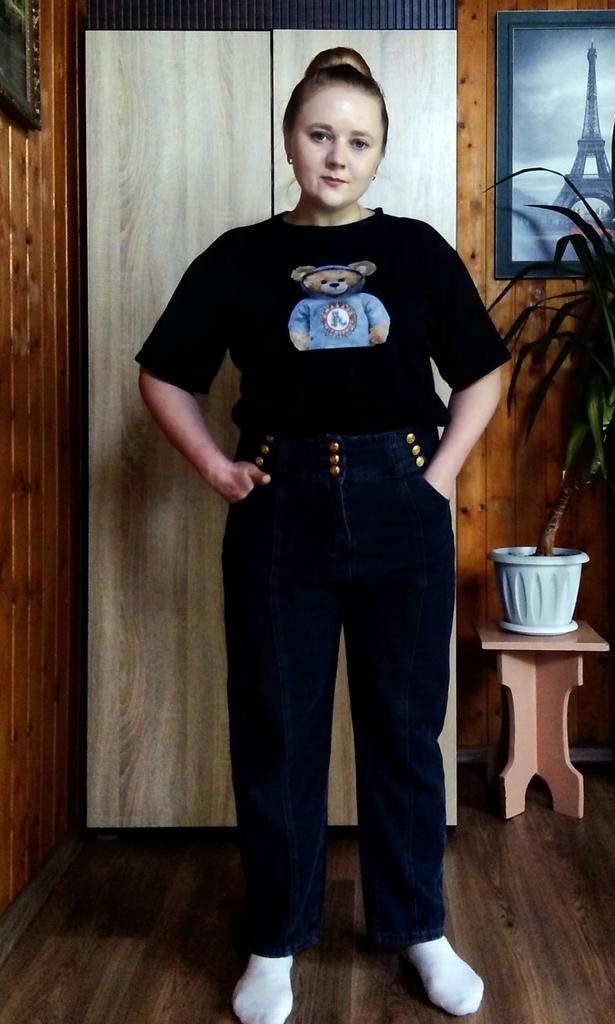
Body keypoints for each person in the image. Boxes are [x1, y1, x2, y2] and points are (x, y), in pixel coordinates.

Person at [136, 47, 509, 1024]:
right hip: (279, 511)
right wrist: (215, 468)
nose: (336, 155)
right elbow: (162, 374)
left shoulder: (418, 251)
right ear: (289, 139)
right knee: (277, 730)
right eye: (319, 134)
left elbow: (481, 371)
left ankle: (418, 927)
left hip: (401, 504)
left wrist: (437, 479)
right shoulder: (236, 258)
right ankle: (274, 941)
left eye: (358, 140)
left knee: (403, 729)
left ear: (379, 151)